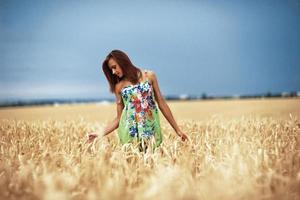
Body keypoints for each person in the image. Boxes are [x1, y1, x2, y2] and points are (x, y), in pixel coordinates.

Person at [88, 49, 188, 149]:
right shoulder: (119, 87)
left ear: (122, 62)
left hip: (151, 131)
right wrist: (99, 133)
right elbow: (119, 118)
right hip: (131, 136)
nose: (113, 72)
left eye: (114, 67)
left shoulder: (149, 76)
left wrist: (178, 130)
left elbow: (161, 103)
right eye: (111, 70)